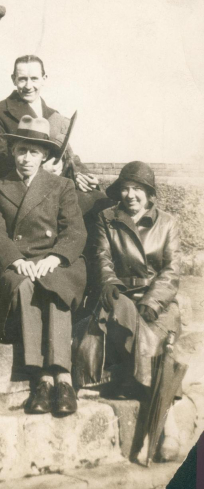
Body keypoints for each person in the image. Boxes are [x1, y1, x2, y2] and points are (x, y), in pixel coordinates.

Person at [0, 116, 87, 416]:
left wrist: (55, 258)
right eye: (21, 150)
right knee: (27, 285)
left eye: (34, 152)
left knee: (55, 283)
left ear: (45, 156)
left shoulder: (61, 185)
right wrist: (16, 259)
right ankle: (41, 379)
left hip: (57, 258)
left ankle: (63, 378)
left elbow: (74, 231)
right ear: (13, 152)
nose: (26, 158)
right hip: (17, 261)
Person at [72, 161, 182, 400]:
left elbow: (171, 270)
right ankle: (138, 380)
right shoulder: (106, 218)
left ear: (149, 194)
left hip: (156, 299)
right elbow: (102, 257)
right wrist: (110, 283)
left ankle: (133, 379)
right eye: (125, 188)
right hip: (119, 294)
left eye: (138, 189)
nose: (130, 195)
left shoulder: (168, 223)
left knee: (153, 332)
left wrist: (152, 303)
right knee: (120, 311)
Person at [0, 54, 99, 199]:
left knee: (100, 201)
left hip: (56, 188)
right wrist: (40, 170)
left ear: (44, 79)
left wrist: (83, 175)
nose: (29, 86)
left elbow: (68, 154)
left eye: (34, 79)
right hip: (18, 192)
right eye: (23, 79)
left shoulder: (54, 115)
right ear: (14, 80)